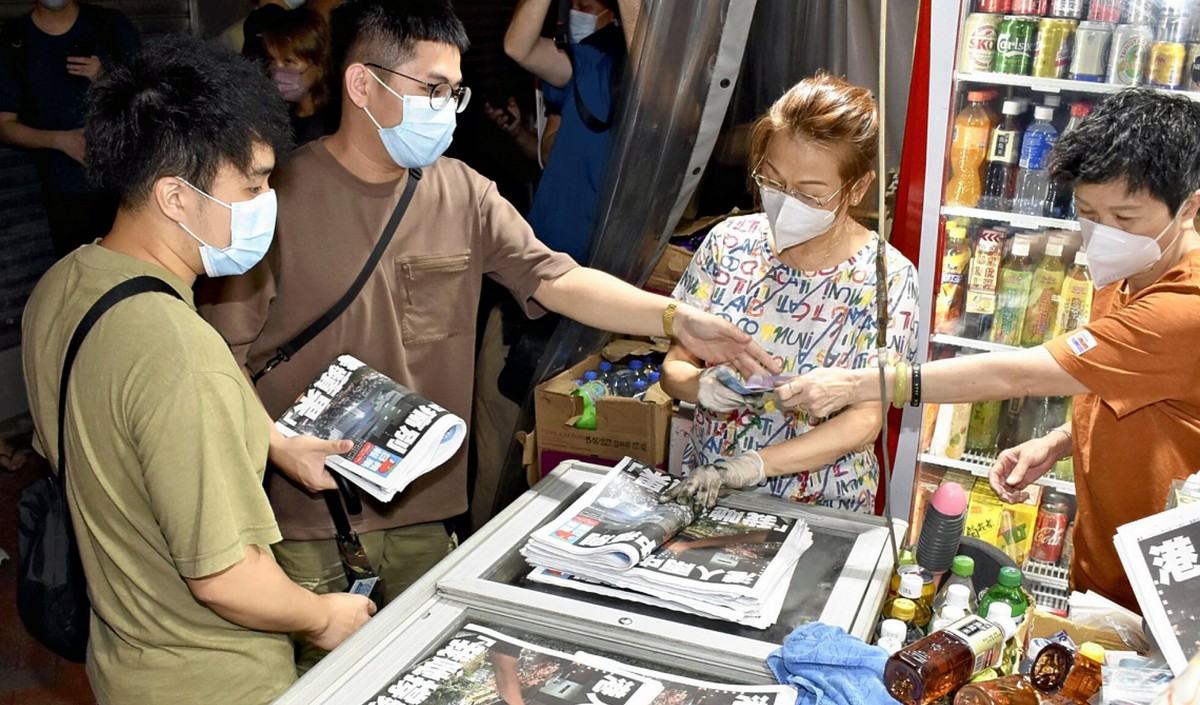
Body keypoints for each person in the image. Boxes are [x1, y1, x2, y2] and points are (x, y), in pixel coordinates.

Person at [198, 0, 774, 670]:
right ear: (363, 84)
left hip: (426, 509)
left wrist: (677, 318)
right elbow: (218, 359)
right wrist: (279, 446)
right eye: (432, 90)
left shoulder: (463, 192)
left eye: (455, 91)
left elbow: (555, 277)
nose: (448, 107)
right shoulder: (276, 198)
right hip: (305, 520)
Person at [21, 36, 374, 705]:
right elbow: (224, 576)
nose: (268, 200)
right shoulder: (181, 350)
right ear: (175, 197)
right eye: (254, 184)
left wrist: (271, 440)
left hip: (124, 661)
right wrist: (325, 616)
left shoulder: (67, 283)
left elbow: (105, 435)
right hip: (215, 679)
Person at [780, 88, 1200, 613]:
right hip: (1107, 560)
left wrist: (866, 384)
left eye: (1126, 218)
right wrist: (1062, 440)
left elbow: (1018, 376)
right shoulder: (1130, 271)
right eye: (1089, 213)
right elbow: (1134, 384)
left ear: (1189, 207)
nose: (1103, 234)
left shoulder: (1187, 306)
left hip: (1175, 584)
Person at [658, 74, 919, 515]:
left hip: (824, 505)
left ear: (856, 188)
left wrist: (750, 466)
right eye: (774, 181)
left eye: (809, 193)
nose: (784, 201)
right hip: (709, 491)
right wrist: (698, 386)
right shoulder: (728, 243)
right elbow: (674, 367)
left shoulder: (887, 279)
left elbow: (864, 419)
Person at [0, 0, 139, 258]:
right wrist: (62, 141)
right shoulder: (14, 40)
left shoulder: (108, 25)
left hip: (129, 188)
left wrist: (105, 76)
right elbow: (5, 125)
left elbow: (150, 94)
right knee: (80, 279)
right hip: (65, 196)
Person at [503, 0, 625, 262]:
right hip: (553, 239)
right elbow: (518, 47)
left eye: (586, 6)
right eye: (574, 5)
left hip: (608, 251)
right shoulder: (585, 60)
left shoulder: (662, 78)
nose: (577, 14)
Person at [262, 7, 336, 146]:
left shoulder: (337, 120)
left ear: (318, 61)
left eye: (288, 61)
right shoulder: (279, 119)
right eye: (272, 60)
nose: (277, 72)